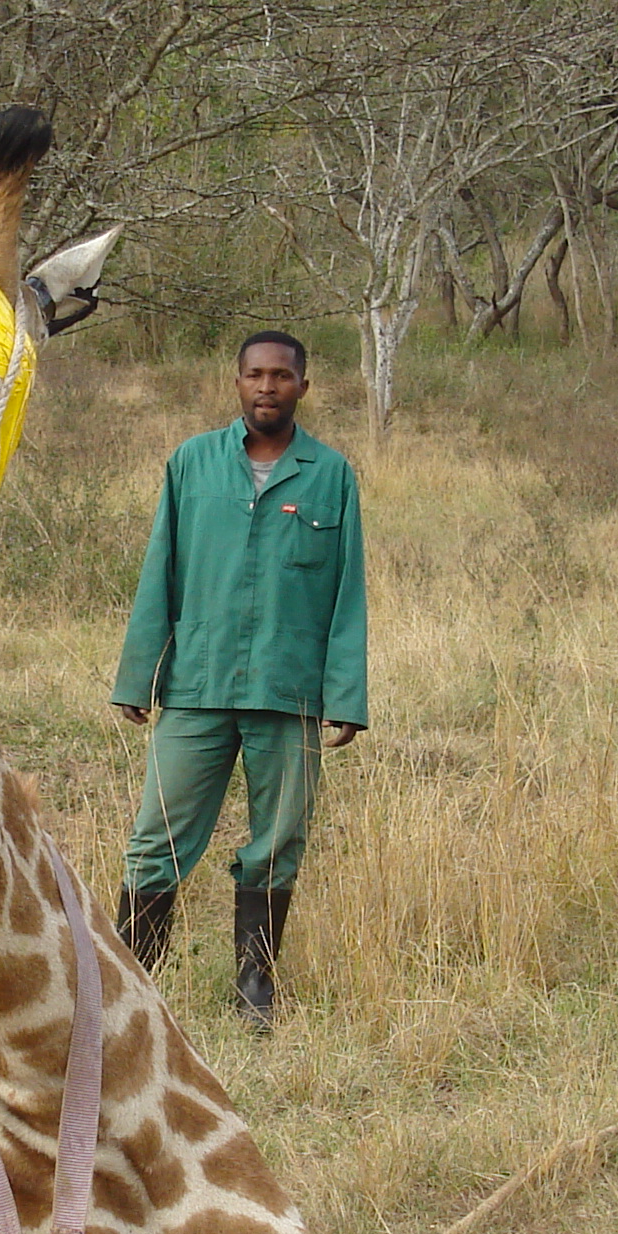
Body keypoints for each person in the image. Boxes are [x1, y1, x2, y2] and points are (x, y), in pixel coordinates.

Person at [109, 330, 367, 1027]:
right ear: (237, 382)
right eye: (254, 374)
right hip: (196, 683)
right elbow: (159, 571)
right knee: (155, 835)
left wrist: (344, 696)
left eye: (281, 376)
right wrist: (140, 676)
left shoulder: (331, 474)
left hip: (289, 691)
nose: (267, 387)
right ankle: (127, 994)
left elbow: (348, 594)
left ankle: (257, 985)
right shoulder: (191, 464)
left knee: (279, 838)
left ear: (303, 388)